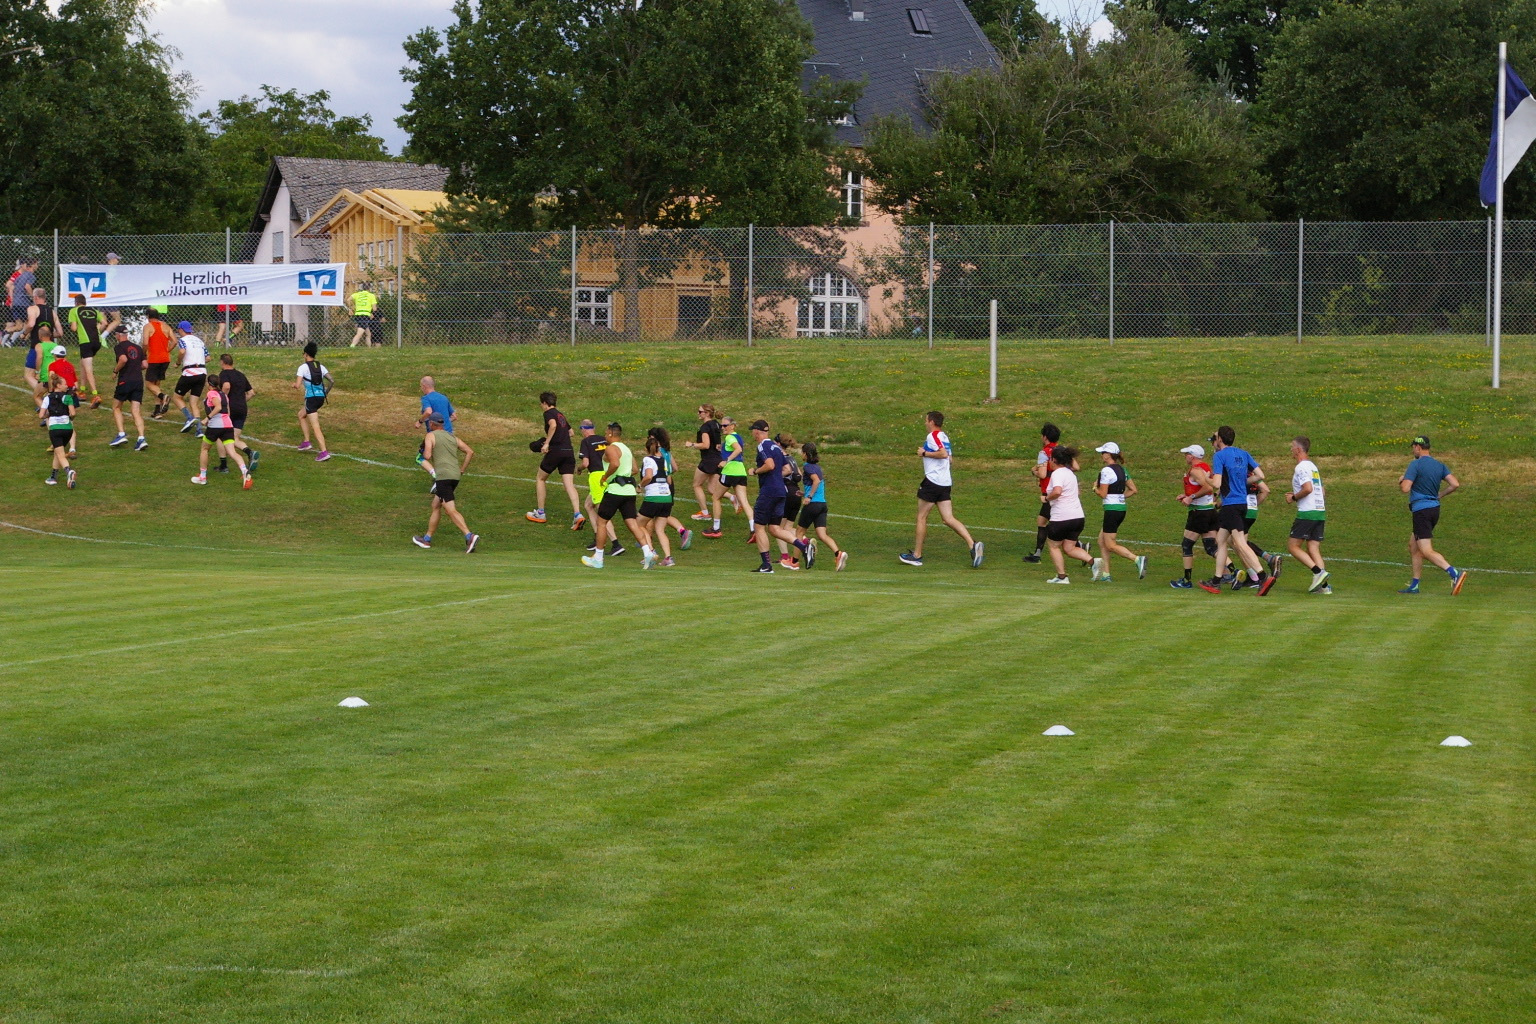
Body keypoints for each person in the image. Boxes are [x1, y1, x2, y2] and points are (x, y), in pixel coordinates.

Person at [899, 411, 983, 568]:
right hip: (945, 483)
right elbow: (950, 459)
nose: (925, 423)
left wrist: (924, 453)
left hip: (932, 482)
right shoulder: (944, 437)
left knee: (921, 517)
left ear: (932, 422)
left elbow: (944, 454)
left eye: (926, 420)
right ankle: (973, 545)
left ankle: (917, 556)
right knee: (948, 518)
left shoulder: (934, 436)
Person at [1200, 426, 1274, 596]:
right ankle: (1216, 580)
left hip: (1230, 504)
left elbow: (1217, 484)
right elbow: (1260, 475)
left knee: (1240, 542)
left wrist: (1205, 478)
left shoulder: (1219, 456)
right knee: (1220, 540)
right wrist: (1242, 482)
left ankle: (1262, 577)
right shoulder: (1243, 453)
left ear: (1220, 439)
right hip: (1241, 504)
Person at [580, 422, 657, 569]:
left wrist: (605, 477)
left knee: (601, 522)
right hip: (629, 491)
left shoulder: (611, 448)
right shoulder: (626, 449)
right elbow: (635, 469)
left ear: (610, 433)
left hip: (615, 490)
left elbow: (614, 464)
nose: (604, 435)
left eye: (606, 432)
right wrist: (623, 474)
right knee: (632, 523)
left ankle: (598, 557)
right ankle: (648, 552)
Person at [1398, 435, 1465, 595]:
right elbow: (1455, 484)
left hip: (1421, 511)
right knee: (1413, 546)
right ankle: (1415, 585)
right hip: (1434, 509)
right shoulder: (1439, 465)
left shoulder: (1415, 464)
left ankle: (1454, 573)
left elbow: (1405, 489)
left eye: (1413, 447)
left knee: (1426, 550)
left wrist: (1401, 480)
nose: (1413, 450)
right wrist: (1440, 495)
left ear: (1418, 447)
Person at [413, 414, 480, 552]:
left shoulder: (430, 436)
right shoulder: (452, 437)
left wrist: (423, 450)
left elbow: (427, 456)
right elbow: (470, 452)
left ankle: (469, 536)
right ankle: (427, 539)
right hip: (455, 476)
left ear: (432, 424)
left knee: (450, 509)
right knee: (435, 505)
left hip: (443, 477)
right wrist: (462, 469)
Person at [746, 420, 802, 573]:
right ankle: (804, 546)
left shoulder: (762, 446)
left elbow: (770, 465)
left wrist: (756, 471)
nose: (753, 434)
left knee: (759, 526)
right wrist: (776, 478)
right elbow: (787, 468)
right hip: (781, 491)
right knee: (774, 528)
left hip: (769, 491)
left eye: (753, 431)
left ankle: (766, 565)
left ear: (757, 431)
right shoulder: (776, 447)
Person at [1090, 442, 1146, 582]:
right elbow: (1133, 490)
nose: (1101, 455)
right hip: (1120, 509)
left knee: (1110, 545)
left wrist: (1095, 488)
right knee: (1101, 541)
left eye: (1103, 453)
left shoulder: (1106, 471)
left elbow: (1103, 494)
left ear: (1108, 455)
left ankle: (1137, 559)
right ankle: (1106, 574)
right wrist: (1120, 497)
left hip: (1111, 510)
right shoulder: (1122, 470)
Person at [528, 390, 583, 528]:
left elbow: (553, 425)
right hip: (568, 451)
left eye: (541, 403)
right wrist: (560, 437)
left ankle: (541, 513)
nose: (541, 406)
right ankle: (577, 514)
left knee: (540, 478)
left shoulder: (548, 413)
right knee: (569, 484)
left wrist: (547, 443)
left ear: (545, 403)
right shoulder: (560, 415)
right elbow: (571, 432)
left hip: (556, 451)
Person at [1283, 436, 1331, 594]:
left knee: (1292, 546)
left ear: (1298, 449)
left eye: (1292, 447)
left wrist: (1293, 497)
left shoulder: (1301, 467)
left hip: (1307, 512)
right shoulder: (1313, 467)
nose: (1291, 450)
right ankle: (1324, 587)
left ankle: (1318, 572)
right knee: (1313, 548)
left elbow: (1308, 488)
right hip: (1319, 511)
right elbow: (1321, 491)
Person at [1040, 446, 1094, 583]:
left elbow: (1057, 491)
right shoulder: (1071, 474)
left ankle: (1062, 577)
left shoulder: (1057, 474)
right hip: (1078, 517)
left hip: (1062, 517)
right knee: (1069, 548)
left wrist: (1046, 498)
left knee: (1053, 546)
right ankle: (1093, 562)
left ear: (1054, 460)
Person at [1171, 443, 1219, 589]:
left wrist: (1190, 497)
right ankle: (1233, 571)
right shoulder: (1205, 467)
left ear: (1192, 456)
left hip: (1199, 512)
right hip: (1210, 510)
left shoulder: (1196, 470)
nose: (1185, 456)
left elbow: (1208, 488)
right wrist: (1186, 495)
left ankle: (1187, 580)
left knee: (1186, 545)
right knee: (1211, 548)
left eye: (1187, 454)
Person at [795, 442, 848, 571]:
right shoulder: (817, 467)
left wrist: (809, 497)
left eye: (802, 452)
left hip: (813, 504)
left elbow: (816, 481)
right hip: (822, 505)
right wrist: (804, 493)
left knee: (799, 532)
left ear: (805, 454)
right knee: (822, 534)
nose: (801, 454)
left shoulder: (807, 467)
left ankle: (794, 562)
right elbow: (816, 484)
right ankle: (838, 553)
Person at [190, 382, 251, 489]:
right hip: (228, 426)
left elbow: (218, 407)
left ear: (209, 384)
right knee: (232, 452)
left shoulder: (211, 393)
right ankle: (245, 471)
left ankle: (202, 477)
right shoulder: (224, 395)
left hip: (215, 426)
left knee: (204, 449)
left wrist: (207, 419)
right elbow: (227, 411)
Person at [577, 419, 623, 558]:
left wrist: (579, 468)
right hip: (608, 474)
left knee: (602, 511)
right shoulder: (604, 439)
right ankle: (598, 537)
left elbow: (586, 463)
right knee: (588, 505)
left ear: (583, 429)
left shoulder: (586, 442)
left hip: (597, 477)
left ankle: (616, 544)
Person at [636, 433, 680, 566]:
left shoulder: (648, 459)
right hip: (666, 497)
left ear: (647, 449)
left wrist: (640, 486)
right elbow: (668, 479)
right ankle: (668, 558)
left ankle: (651, 551)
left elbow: (648, 476)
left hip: (654, 497)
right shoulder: (664, 460)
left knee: (639, 525)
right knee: (660, 529)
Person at [107, 324, 148, 451]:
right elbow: (145, 365)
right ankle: (141, 438)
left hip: (125, 381)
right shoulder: (138, 348)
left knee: (116, 407)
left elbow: (123, 359)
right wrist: (135, 368)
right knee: (136, 411)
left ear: (118, 335)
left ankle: (121, 434)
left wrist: (115, 371)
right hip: (138, 381)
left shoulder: (119, 347)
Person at [216, 354, 258, 474]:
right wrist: (241, 402)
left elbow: (226, 386)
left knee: (220, 435)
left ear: (222, 362)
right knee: (234, 438)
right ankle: (250, 452)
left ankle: (223, 465)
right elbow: (251, 393)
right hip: (242, 409)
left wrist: (222, 400)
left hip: (230, 409)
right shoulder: (241, 375)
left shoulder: (224, 374)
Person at [1026, 422, 1061, 563]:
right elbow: (1075, 466)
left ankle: (1080, 546)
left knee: (1052, 523)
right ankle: (1037, 553)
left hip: (1050, 492)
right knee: (1044, 521)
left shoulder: (1044, 452)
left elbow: (1042, 474)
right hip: (1061, 489)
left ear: (1045, 437)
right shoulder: (1061, 451)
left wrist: (1034, 472)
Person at [684, 403, 723, 526]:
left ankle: (705, 513)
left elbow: (706, 445)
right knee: (712, 489)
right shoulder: (716, 424)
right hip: (718, 459)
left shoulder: (705, 427)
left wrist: (692, 444)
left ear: (707, 413)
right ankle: (734, 498)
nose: (698, 413)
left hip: (708, 460)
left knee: (696, 485)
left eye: (700, 411)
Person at [713, 416, 752, 539]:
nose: (722, 428)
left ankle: (716, 528)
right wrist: (722, 448)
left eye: (725, 425)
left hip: (730, 472)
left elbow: (738, 449)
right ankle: (753, 529)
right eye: (721, 425)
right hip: (741, 472)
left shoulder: (729, 437)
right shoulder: (738, 437)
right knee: (744, 502)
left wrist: (726, 460)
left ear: (732, 426)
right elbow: (735, 448)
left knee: (715, 497)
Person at [167, 321, 208, 436]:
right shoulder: (199, 341)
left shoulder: (183, 340)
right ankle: (199, 431)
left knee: (176, 397)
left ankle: (189, 418)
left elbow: (182, 351)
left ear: (181, 330)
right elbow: (208, 357)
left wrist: (178, 363)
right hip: (202, 373)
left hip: (189, 372)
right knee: (193, 402)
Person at [293, 342, 332, 461]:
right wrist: (325, 393)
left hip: (311, 398)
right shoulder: (321, 366)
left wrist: (294, 385)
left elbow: (298, 385)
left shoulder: (302, 367)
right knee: (301, 414)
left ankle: (324, 452)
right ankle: (306, 442)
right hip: (320, 398)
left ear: (305, 354)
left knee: (315, 426)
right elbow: (332, 381)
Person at [66, 294, 106, 408]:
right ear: (85, 302)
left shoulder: (74, 311)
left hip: (85, 342)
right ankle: (82, 391)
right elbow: (104, 323)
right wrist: (96, 330)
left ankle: (95, 395)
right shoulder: (93, 311)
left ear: (76, 303)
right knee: (83, 364)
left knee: (88, 369)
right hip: (97, 342)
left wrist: (75, 326)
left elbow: (74, 328)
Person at [39, 375, 78, 488]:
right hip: (68, 429)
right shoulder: (67, 397)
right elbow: (73, 413)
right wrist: (70, 418)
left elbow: (41, 415)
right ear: (59, 385)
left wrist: (49, 415)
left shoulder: (47, 398)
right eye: (65, 384)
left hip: (55, 430)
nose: (67, 386)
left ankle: (69, 471)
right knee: (58, 452)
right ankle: (53, 477)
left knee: (60, 454)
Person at [773, 433, 804, 570]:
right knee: (788, 527)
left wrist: (774, 477)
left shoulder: (780, 457)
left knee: (777, 528)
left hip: (787, 493)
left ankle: (785, 556)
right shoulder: (792, 458)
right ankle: (805, 540)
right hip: (796, 493)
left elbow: (786, 471)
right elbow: (799, 475)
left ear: (778, 443)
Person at [43, 342, 79, 455]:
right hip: (71, 393)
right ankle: (72, 448)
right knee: (69, 421)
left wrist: (50, 391)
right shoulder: (70, 365)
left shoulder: (53, 365)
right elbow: (76, 384)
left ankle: (55, 442)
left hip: (59, 395)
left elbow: (51, 378)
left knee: (51, 418)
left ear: (55, 355)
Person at [141, 309, 174, 419]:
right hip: (165, 359)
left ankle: (163, 396)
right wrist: (167, 351)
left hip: (154, 359)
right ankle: (157, 411)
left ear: (148, 316)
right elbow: (175, 341)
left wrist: (143, 354)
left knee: (149, 384)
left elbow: (145, 343)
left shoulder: (148, 327)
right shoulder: (166, 326)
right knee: (156, 384)